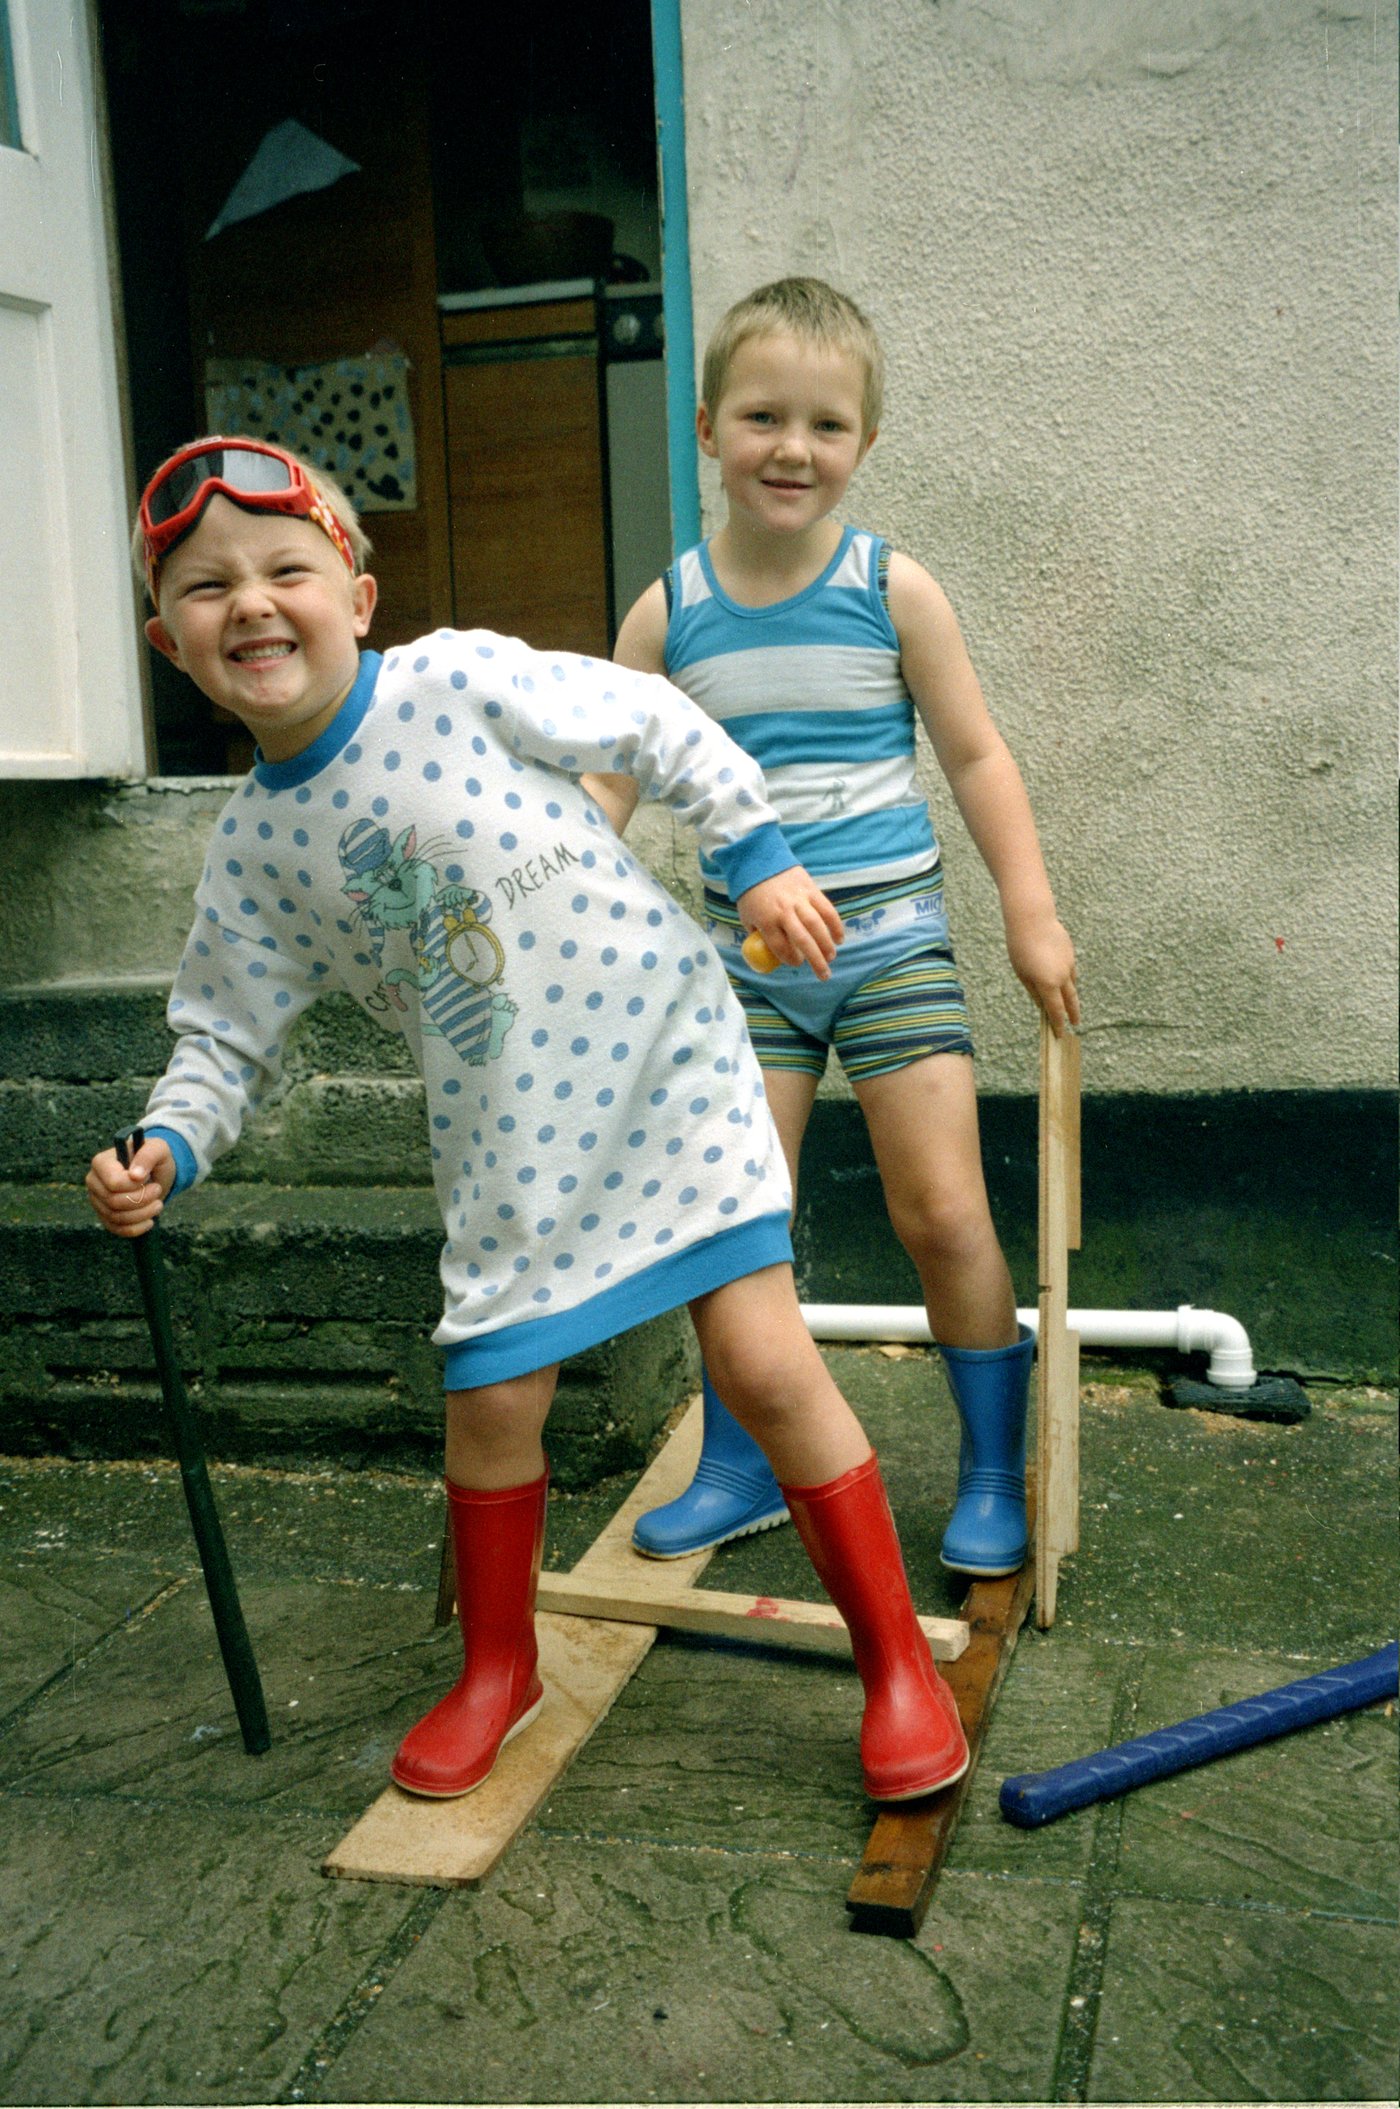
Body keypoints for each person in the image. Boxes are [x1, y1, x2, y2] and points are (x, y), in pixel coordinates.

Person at [84, 434, 970, 1806]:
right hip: (516, 1140)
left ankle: (897, 1657)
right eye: (207, 589)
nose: (251, 603)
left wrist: (756, 855)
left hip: (668, 1062)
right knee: (493, 1402)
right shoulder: (253, 852)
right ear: (168, 643)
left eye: (284, 569)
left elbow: (653, 723)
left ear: (358, 597)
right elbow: (222, 1031)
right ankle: (500, 1668)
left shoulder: (455, 678)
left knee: (766, 1365)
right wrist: (167, 1143)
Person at [596, 278, 1079, 1580]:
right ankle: (742, 1461)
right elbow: (610, 789)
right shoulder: (669, 613)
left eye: (824, 423)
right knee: (736, 1221)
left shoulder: (893, 590)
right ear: (706, 426)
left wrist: (1030, 917)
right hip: (742, 974)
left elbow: (976, 757)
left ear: (864, 443)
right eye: (762, 415)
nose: (792, 447)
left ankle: (991, 1464)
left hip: (890, 948)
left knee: (941, 1210)